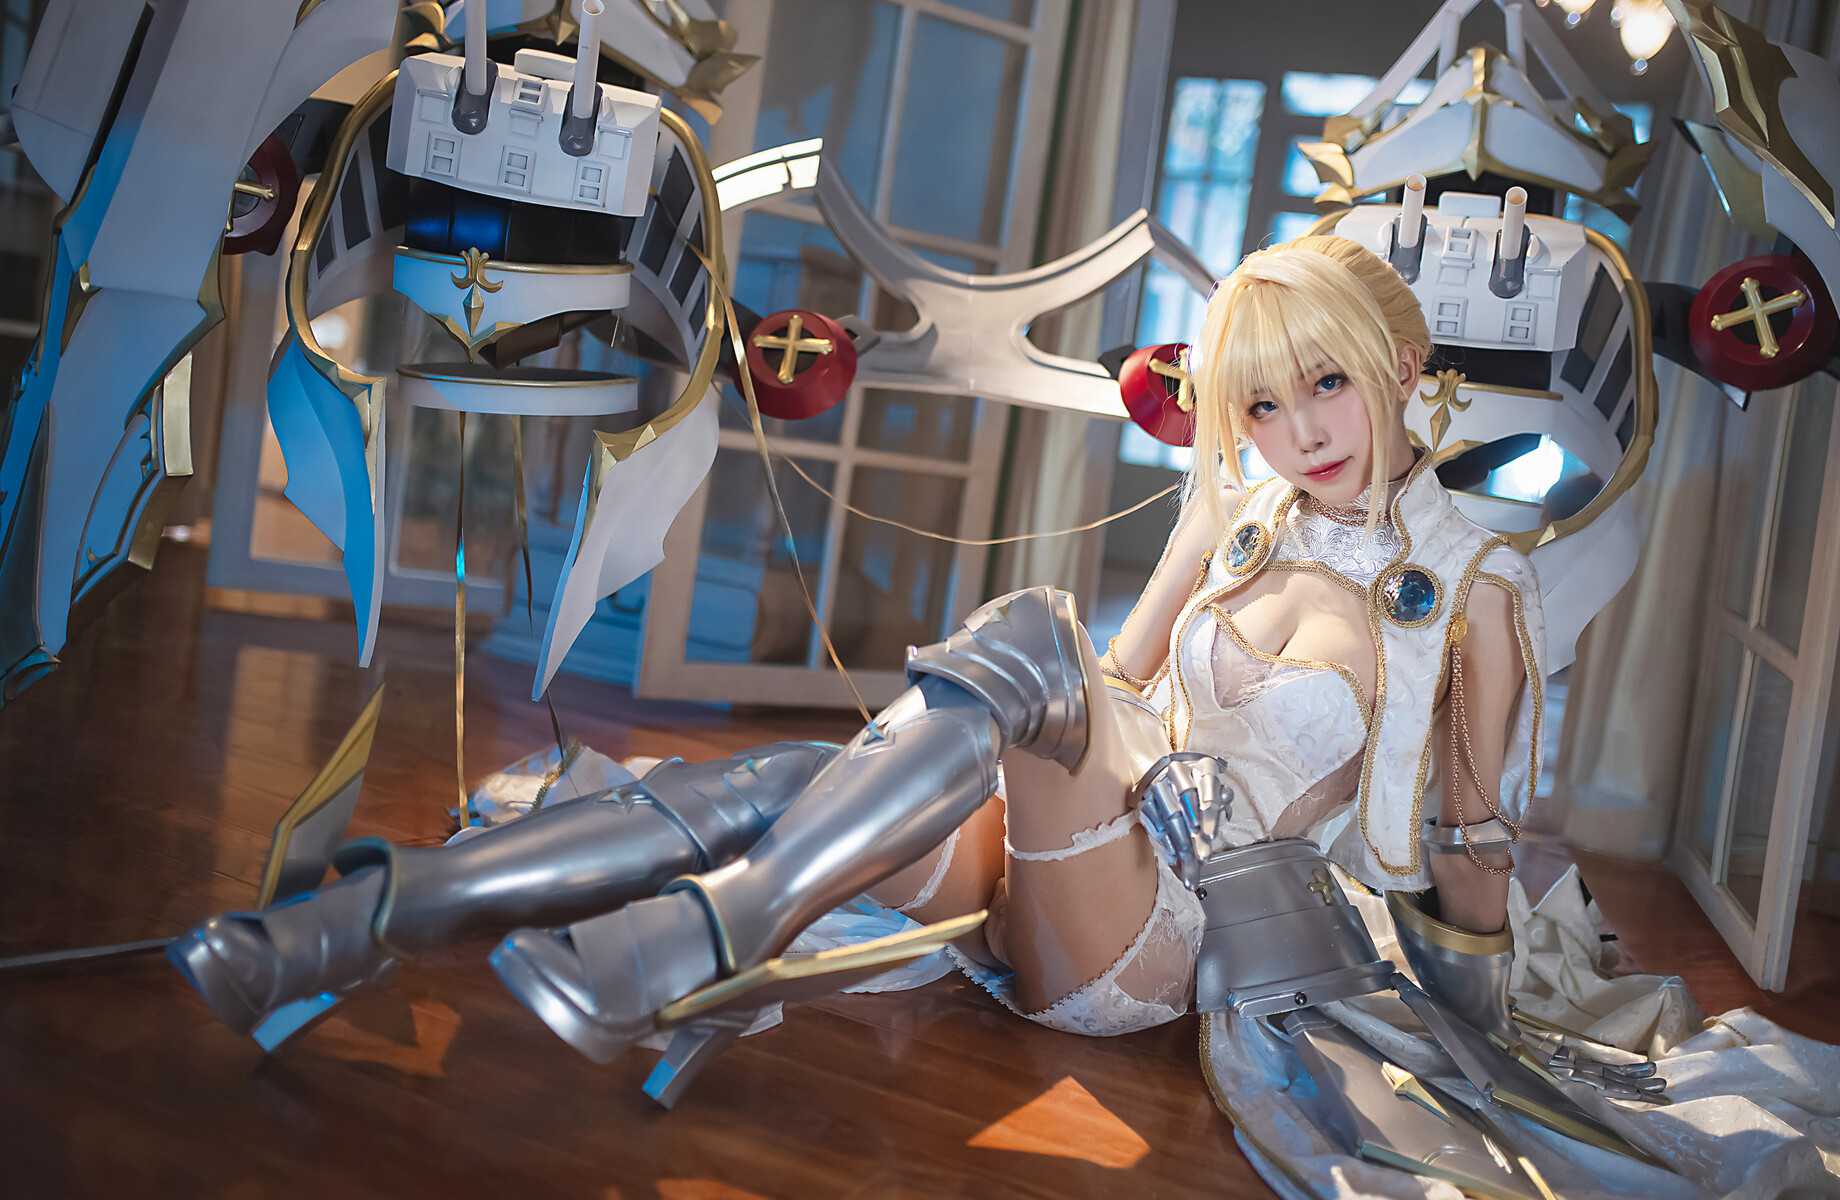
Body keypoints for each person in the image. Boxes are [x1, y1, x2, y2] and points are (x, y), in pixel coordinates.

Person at [169, 234, 1540, 1065]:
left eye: (1326, 382)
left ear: (1399, 361)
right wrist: (1157, 593)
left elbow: (1472, 848)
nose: (1300, 430)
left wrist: (1468, 1040)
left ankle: (713, 930)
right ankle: (358, 919)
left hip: (1170, 941)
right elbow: (1120, 691)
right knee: (787, 781)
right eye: (1264, 401)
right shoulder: (1242, 519)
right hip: (1076, 844)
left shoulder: (1477, 586)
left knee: (1026, 639)